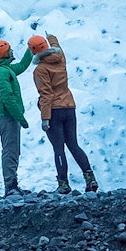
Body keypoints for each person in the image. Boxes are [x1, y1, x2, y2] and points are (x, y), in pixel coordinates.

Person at [29, 34, 99, 193]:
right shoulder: (60, 58)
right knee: (73, 145)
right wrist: (51, 37)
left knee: (58, 148)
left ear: (33, 51)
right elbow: (57, 46)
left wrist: (45, 118)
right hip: (69, 107)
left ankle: (63, 184)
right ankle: (90, 178)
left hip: (54, 111)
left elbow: (46, 95)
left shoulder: (40, 69)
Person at [0, 39, 33, 196]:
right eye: (10, 49)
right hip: (7, 117)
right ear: (4, 52)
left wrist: (31, 49)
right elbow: (7, 97)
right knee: (10, 152)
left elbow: (21, 66)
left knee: (13, 150)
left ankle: (13, 186)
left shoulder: (5, 69)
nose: (12, 51)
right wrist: (20, 117)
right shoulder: (1, 72)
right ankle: (10, 187)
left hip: (7, 116)